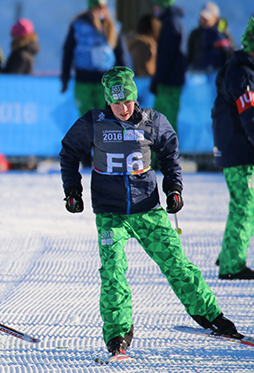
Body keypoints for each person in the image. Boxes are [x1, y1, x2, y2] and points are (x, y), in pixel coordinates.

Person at [59, 66, 243, 357]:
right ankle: (118, 334)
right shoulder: (94, 122)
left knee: (177, 263)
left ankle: (211, 316)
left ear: (135, 98)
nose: (123, 108)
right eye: (117, 102)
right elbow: (68, 152)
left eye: (128, 101)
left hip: (148, 209)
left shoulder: (152, 121)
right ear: (108, 100)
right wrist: (72, 190)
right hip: (111, 214)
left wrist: (174, 188)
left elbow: (170, 153)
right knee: (113, 272)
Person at [211, 17, 254, 280]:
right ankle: (232, 265)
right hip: (239, 151)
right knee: (245, 205)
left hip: (238, 149)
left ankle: (229, 252)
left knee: (244, 204)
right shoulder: (243, 74)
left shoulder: (242, 70)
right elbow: (250, 116)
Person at [60, 0, 129, 116]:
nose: (100, 10)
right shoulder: (78, 26)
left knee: (106, 115)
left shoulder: (112, 27)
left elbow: (120, 54)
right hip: (84, 79)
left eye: (103, 7)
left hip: (106, 81)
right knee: (86, 115)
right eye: (97, 7)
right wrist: (65, 77)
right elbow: (68, 52)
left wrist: (124, 79)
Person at [150, 0, 186, 132]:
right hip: (173, 81)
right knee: (168, 121)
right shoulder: (176, 22)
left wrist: (157, 79)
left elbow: (166, 55)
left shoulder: (170, 24)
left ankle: (164, 152)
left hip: (168, 83)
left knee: (162, 121)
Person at [186, 2, 234, 72]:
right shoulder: (195, 34)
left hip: (217, 75)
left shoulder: (224, 35)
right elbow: (189, 56)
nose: (202, 21)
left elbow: (231, 55)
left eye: (206, 19)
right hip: (198, 75)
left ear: (216, 18)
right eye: (201, 17)